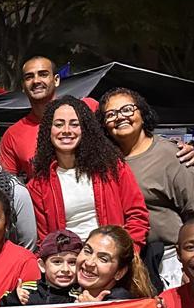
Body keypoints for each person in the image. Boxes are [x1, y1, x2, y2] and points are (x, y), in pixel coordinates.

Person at [100, 87, 194, 289]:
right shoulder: (105, 161)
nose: (120, 117)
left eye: (127, 109)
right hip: (126, 262)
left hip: (168, 260)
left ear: (142, 112)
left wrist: (191, 263)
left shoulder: (170, 155)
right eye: (111, 114)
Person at [26, 95, 150, 250]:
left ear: (84, 129)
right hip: (68, 263)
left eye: (74, 124)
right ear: (48, 131)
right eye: (58, 124)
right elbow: (45, 240)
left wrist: (128, 254)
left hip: (112, 257)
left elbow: (137, 216)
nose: (66, 131)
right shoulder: (38, 185)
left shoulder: (111, 167)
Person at [0, 56, 61, 179]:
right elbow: (8, 186)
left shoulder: (84, 111)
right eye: (29, 77)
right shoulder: (13, 135)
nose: (36, 81)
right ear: (23, 86)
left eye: (43, 74)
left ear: (56, 80)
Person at [0, 229, 83, 306]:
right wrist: (14, 298)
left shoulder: (79, 298)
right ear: (42, 265)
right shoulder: (27, 291)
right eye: (57, 262)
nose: (65, 269)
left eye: (72, 262)